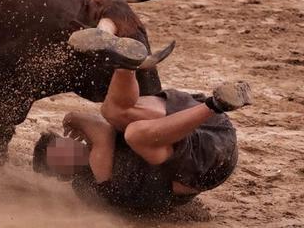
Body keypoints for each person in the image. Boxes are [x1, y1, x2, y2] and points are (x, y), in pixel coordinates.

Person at [32, 29, 251, 211]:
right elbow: (101, 133)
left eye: (61, 145)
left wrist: (77, 121)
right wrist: (73, 118)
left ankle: (125, 64)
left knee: (113, 111)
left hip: (203, 124)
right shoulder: (88, 185)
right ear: (62, 175)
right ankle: (217, 103)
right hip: (207, 164)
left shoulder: (102, 150)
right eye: (59, 158)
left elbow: (102, 127)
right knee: (134, 134)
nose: (67, 152)